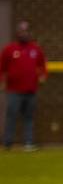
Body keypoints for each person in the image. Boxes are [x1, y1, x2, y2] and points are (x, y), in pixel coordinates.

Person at [0, 21, 47, 151]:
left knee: (29, 117)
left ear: (29, 33)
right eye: (21, 31)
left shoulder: (35, 49)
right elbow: (2, 67)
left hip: (31, 89)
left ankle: (28, 142)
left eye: (26, 31)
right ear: (17, 33)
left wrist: (43, 75)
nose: (23, 34)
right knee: (12, 116)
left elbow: (42, 65)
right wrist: (2, 81)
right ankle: (7, 143)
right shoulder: (9, 49)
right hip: (14, 90)